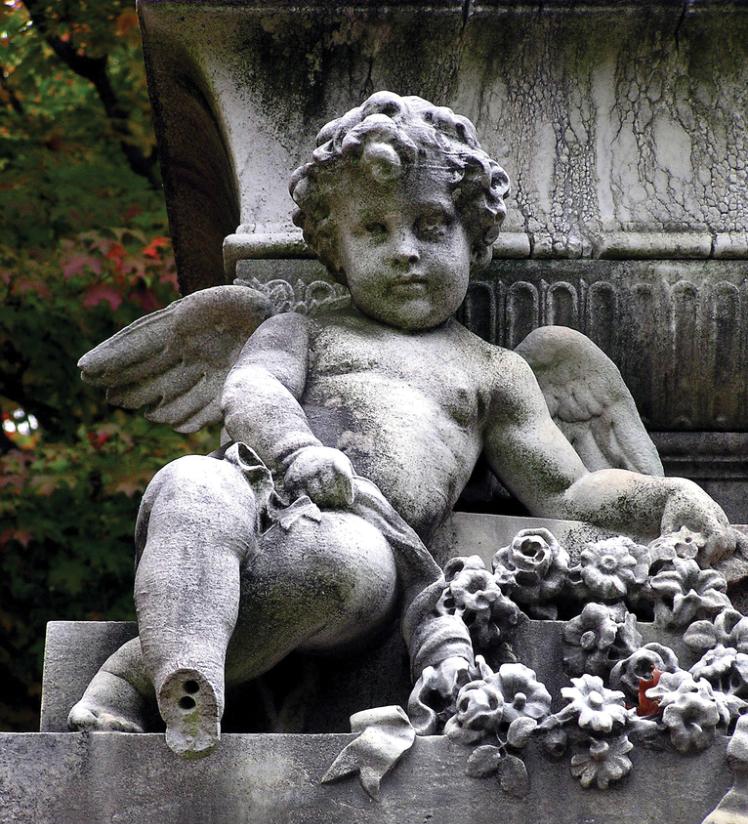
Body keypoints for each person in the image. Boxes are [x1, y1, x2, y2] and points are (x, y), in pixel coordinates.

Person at [69, 92, 734, 755]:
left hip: (374, 541)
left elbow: (561, 493)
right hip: (267, 489)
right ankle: (183, 667)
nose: (405, 251)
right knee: (193, 486)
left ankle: (143, 672)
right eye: (374, 231)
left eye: (431, 226)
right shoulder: (302, 330)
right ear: (335, 247)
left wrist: (662, 499)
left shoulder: (494, 372)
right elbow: (251, 388)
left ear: (474, 236)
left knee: (335, 560)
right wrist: (297, 450)